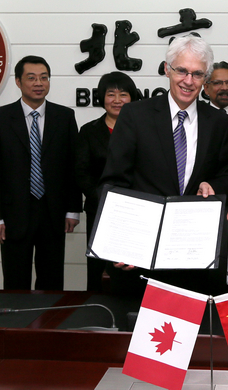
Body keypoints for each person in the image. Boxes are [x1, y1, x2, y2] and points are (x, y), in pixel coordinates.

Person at [99, 35, 228, 296]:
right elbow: (114, 181)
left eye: (197, 74)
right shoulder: (134, 115)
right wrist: (120, 242)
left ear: (205, 78)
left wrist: (213, 184)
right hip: (141, 256)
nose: (188, 80)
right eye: (181, 70)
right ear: (167, 69)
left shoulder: (220, 123)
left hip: (196, 260)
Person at [0, 55, 81, 291]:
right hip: (13, 215)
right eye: (31, 78)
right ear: (18, 81)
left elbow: (73, 167)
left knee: (52, 283)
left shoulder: (65, 117)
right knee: (15, 283)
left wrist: (73, 209)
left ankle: (49, 317)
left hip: (53, 214)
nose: (39, 83)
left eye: (44, 78)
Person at [75, 72, 140, 292]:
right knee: (98, 271)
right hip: (100, 211)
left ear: (132, 97)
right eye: (111, 94)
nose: (117, 100)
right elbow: (81, 172)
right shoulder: (89, 131)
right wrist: (103, 199)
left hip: (136, 213)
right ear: (102, 97)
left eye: (123, 94)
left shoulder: (144, 130)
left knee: (132, 270)